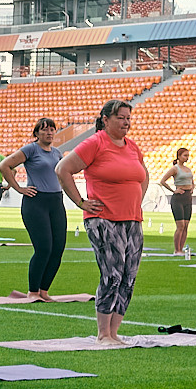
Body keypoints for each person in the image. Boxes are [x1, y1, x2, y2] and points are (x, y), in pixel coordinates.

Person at [57, 99, 147, 346]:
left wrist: (138, 200)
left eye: (128, 117)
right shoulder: (95, 143)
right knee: (112, 275)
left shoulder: (132, 147)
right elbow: (63, 169)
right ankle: (103, 333)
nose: (126, 122)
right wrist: (81, 202)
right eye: (120, 117)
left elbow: (143, 175)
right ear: (105, 120)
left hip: (132, 220)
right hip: (104, 220)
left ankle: (115, 332)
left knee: (129, 276)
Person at [0, 117, 67, 302]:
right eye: (45, 130)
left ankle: (44, 291)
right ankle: (33, 291)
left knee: (58, 248)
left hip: (56, 201)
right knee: (44, 247)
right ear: (36, 133)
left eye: (52, 130)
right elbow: (4, 165)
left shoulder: (56, 153)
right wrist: (18, 188)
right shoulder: (31, 149)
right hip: (36, 202)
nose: (49, 133)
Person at [158, 148, 195, 256]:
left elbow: (192, 181)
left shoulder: (188, 169)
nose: (187, 158)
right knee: (180, 225)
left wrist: (192, 187)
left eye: (188, 155)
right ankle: (176, 249)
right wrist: (174, 190)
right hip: (179, 197)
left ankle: (182, 248)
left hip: (188, 197)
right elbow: (163, 181)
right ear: (179, 156)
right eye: (185, 155)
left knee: (186, 225)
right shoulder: (175, 168)